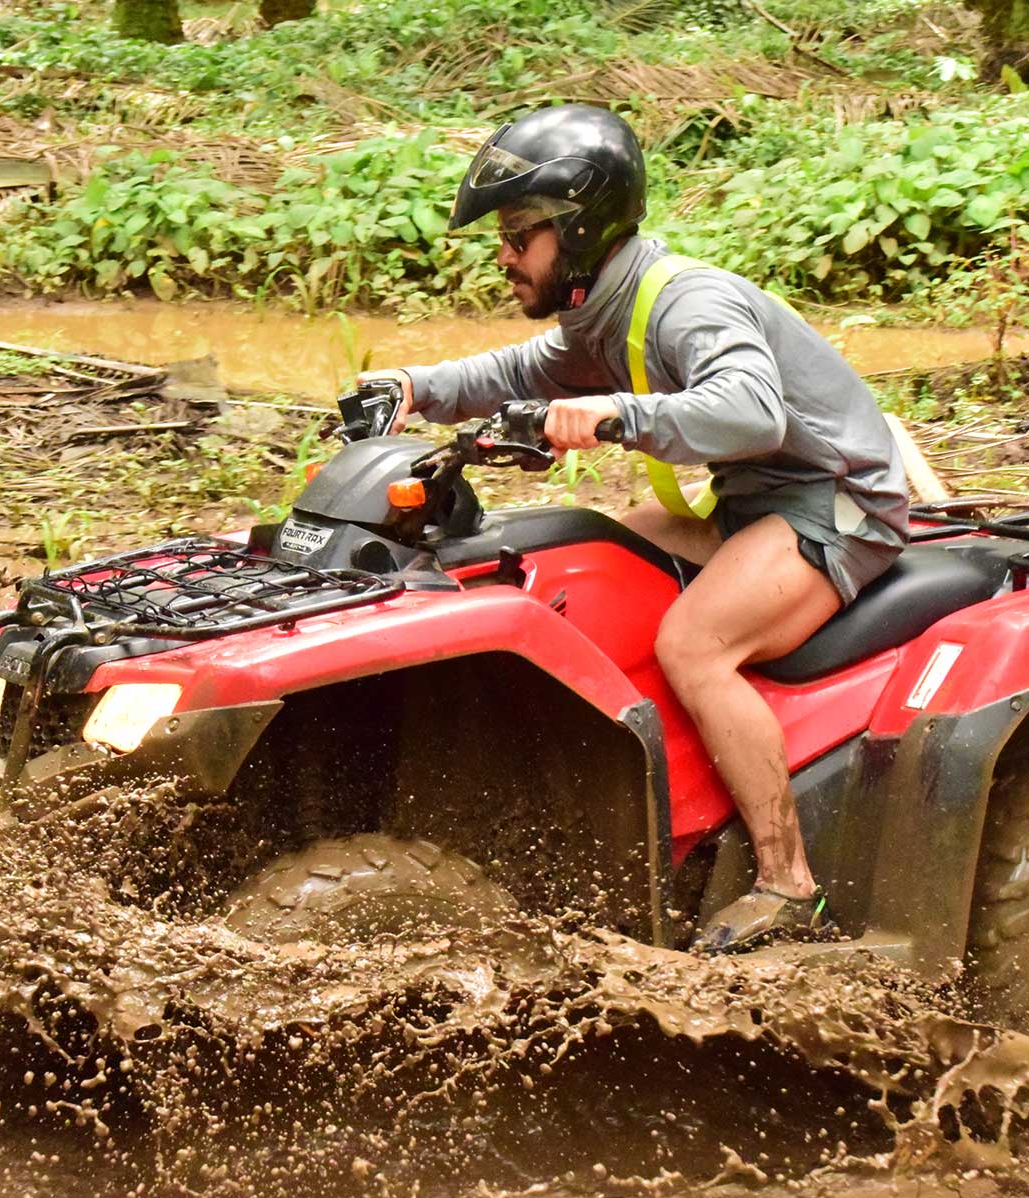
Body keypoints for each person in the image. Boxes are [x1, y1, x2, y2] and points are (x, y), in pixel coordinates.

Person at [362, 105, 909, 952]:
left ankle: (789, 884)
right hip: (756, 503)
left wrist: (614, 413)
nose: (504, 254)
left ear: (578, 228)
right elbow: (511, 371)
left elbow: (752, 409)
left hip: (835, 505)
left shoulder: (686, 301)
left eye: (520, 234)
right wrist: (409, 385)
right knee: (594, 552)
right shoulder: (601, 313)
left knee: (695, 641)